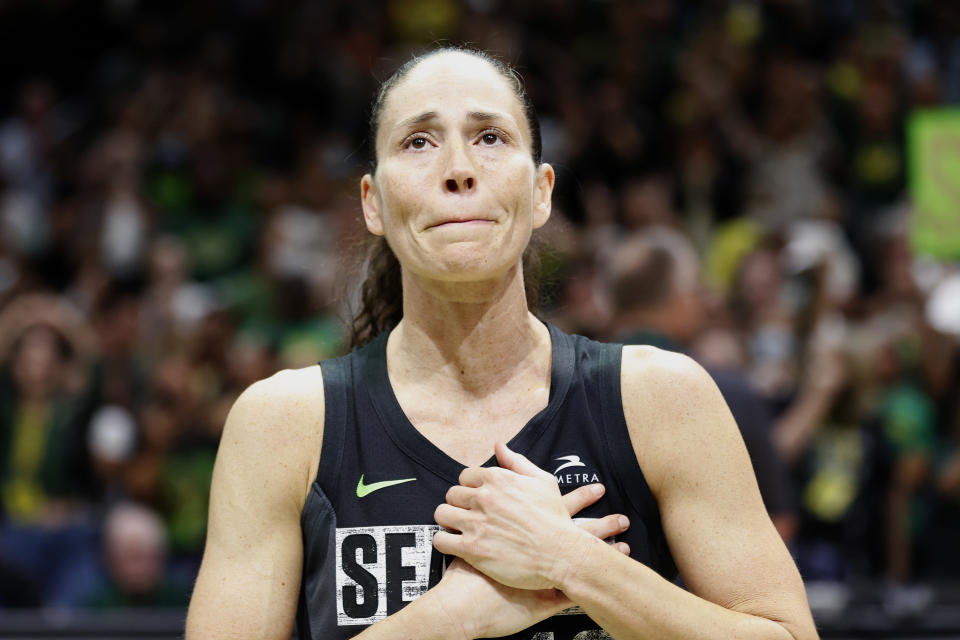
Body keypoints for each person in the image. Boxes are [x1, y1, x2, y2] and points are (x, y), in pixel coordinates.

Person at [186, 47, 818, 640]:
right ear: (373, 203)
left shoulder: (658, 397)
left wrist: (571, 561)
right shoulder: (284, 424)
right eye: (419, 142)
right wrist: (446, 622)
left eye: (490, 138)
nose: (459, 170)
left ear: (541, 191)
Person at [603, 227, 798, 542]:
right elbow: (779, 522)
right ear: (678, 298)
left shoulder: (559, 386)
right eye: (697, 288)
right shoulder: (727, 392)